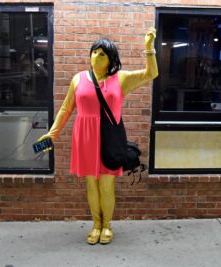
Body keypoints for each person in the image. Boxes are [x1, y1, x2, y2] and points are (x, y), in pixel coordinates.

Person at [36, 28, 158, 245]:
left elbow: (151, 74)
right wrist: (51, 135)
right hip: (84, 138)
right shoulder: (78, 79)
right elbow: (65, 109)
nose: (96, 56)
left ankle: (107, 226)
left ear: (111, 59)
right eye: (94, 52)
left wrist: (149, 48)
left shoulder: (121, 79)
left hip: (109, 138)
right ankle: (96, 225)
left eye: (102, 54)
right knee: (91, 185)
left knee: (107, 185)